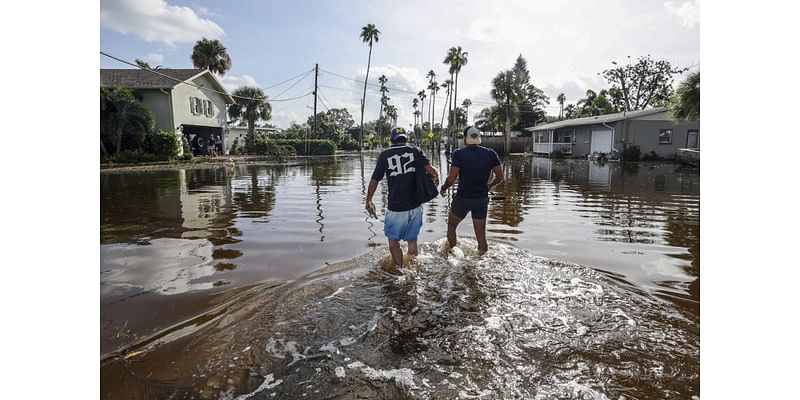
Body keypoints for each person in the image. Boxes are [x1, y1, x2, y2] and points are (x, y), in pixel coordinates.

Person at [366, 127, 439, 268]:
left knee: (394, 242)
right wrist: (436, 185)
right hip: (415, 206)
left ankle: (400, 271)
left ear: (392, 140)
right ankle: (413, 269)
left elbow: (375, 179)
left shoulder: (385, 155)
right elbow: (433, 172)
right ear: (406, 139)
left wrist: (369, 199)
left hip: (396, 207)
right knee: (412, 241)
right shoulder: (415, 150)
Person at [439, 126, 504, 253]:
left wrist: (443, 188)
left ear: (465, 140)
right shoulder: (491, 154)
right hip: (481, 199)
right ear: (479, 139)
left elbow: (452, 179)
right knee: (481, 238)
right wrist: (488, 187)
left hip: (463, 199)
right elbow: (500, 177)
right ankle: (482, 258)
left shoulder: (459, 154)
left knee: (451, 226)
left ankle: (453, 255)